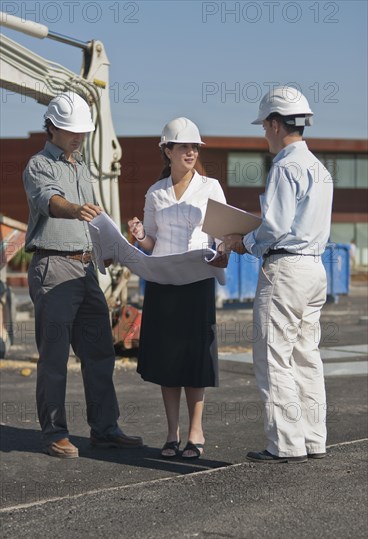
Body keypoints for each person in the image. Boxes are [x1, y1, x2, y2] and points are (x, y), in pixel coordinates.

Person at [23, 91, 143, 458]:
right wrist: (76, 209)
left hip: (86, 268)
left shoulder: (82, 167)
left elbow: (94, 219)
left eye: (82, 131)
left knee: (100, 353)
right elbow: (51, 201)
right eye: (71, 130)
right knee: (55, 356)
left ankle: (105, 429)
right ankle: (54, 433)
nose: (78, 136)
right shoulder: (38, 165)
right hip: (54, 268)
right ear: (52, 127)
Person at [223, 87, 334, 463]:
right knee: (306, 356)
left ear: (274, 123)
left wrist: (244, 242)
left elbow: (274, 226)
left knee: (273, 358)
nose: (263, 133)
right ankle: (314, 440)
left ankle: (286, 444)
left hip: (285, 269)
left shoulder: (285, 166)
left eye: (264, 126)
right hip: (315, 269)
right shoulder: (319, 168)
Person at [128, 117, 227, 459]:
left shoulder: (211, 187)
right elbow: (152, 243)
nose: (190, 151)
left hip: (197, 280)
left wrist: (223, 252)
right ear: (166, 150)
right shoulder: (155, 192)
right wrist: (140, 235)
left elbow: (220, 238)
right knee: (167, 359)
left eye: (194, 146)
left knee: (195, 357)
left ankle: (196, 431)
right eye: (183, 146)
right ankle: (172, 433)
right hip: (163, 280)